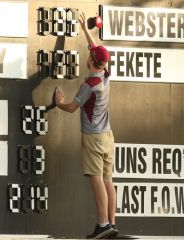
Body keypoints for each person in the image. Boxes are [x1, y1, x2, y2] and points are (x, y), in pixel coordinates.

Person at [55, 12, 118, 239]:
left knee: (96, 179)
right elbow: (97, 50)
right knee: (108, 181)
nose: (88, 54)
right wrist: (85, 30)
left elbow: (72, 107)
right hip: (108, 136)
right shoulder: (105, 74)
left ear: (92, 61)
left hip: (93, 138)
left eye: (90, 54)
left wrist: (59, 103)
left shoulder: (91, 84)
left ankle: (102, 225)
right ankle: (111, 223)